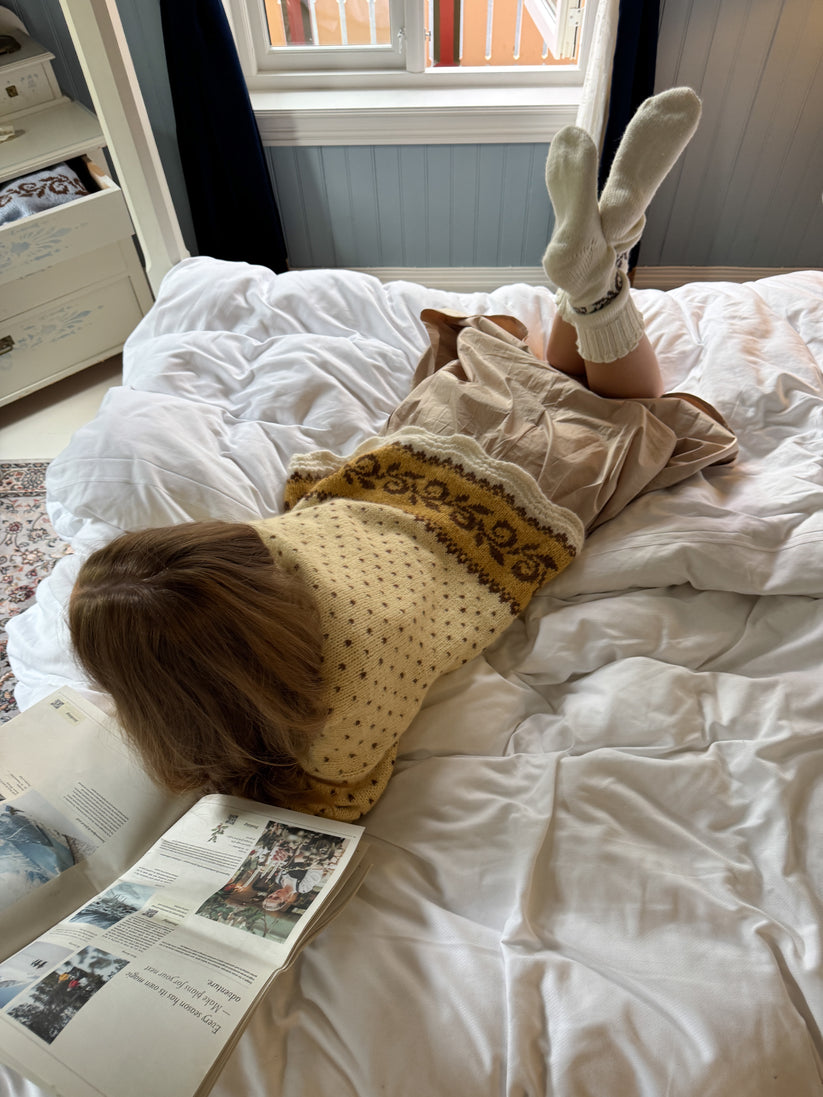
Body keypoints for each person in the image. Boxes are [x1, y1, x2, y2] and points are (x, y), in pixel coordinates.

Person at [69, 88, 737, 823]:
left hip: (508, 511)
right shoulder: (255, 549)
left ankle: (600, 280)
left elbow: (343, 797)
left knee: (624, 413)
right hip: (412, 452)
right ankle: (595, 271)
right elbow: (293, 505)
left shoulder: (337, 721)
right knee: (539, 380)